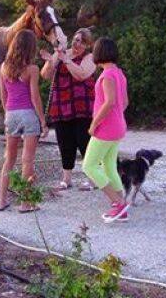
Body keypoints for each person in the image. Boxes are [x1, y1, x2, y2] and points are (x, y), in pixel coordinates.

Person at [0, 30, 49, 212]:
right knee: (27, 160)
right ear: (30, 48)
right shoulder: (32, 70)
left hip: (11, 113)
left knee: (9, 159)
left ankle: (1, 200)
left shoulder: (3, 68)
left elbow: (3, 96)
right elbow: (35, 97)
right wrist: (43, 121)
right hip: (28, 115)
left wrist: (7, 113)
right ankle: (25, 203)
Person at [40, 28, 97, 190]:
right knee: (64, 142)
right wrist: (50, 61)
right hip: (62, 105)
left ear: (87, 44)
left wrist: (65, 59)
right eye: (75, 39)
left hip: (82, 106)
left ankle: (92, 178)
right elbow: (46, 75)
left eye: (80, 40)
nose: (76, 42)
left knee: (84, 142)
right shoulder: (64, 53)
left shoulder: (89, 57)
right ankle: (66, 179)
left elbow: (81, 74)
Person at [82, 37, 130, 223]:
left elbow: (109, 102)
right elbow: (123, 102)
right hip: (118, 127)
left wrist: (95, 124)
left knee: (89, 166)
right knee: (108, 166)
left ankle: (118, 203)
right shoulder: (119, 73)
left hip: (107, 129)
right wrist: (117, 116)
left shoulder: (108, 75)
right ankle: (120, 206)